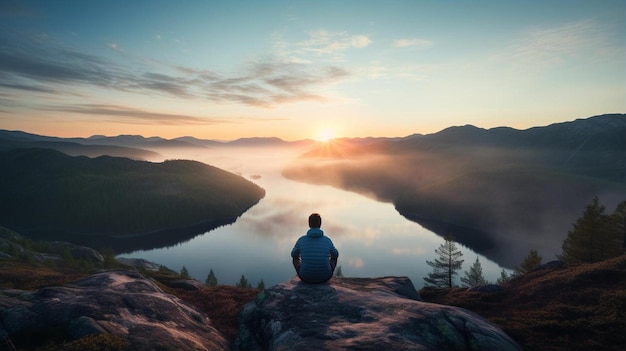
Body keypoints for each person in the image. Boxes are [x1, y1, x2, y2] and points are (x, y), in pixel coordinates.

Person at [291, 213, 339, 283]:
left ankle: (306, 271)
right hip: (325, 277)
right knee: (334, 257)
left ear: (309, 224)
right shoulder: (327, 240)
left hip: (305, 277)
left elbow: (293, 254)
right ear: (320, 224)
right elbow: (336, 254)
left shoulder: (301, 240)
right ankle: (323, 271)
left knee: (295, 258)